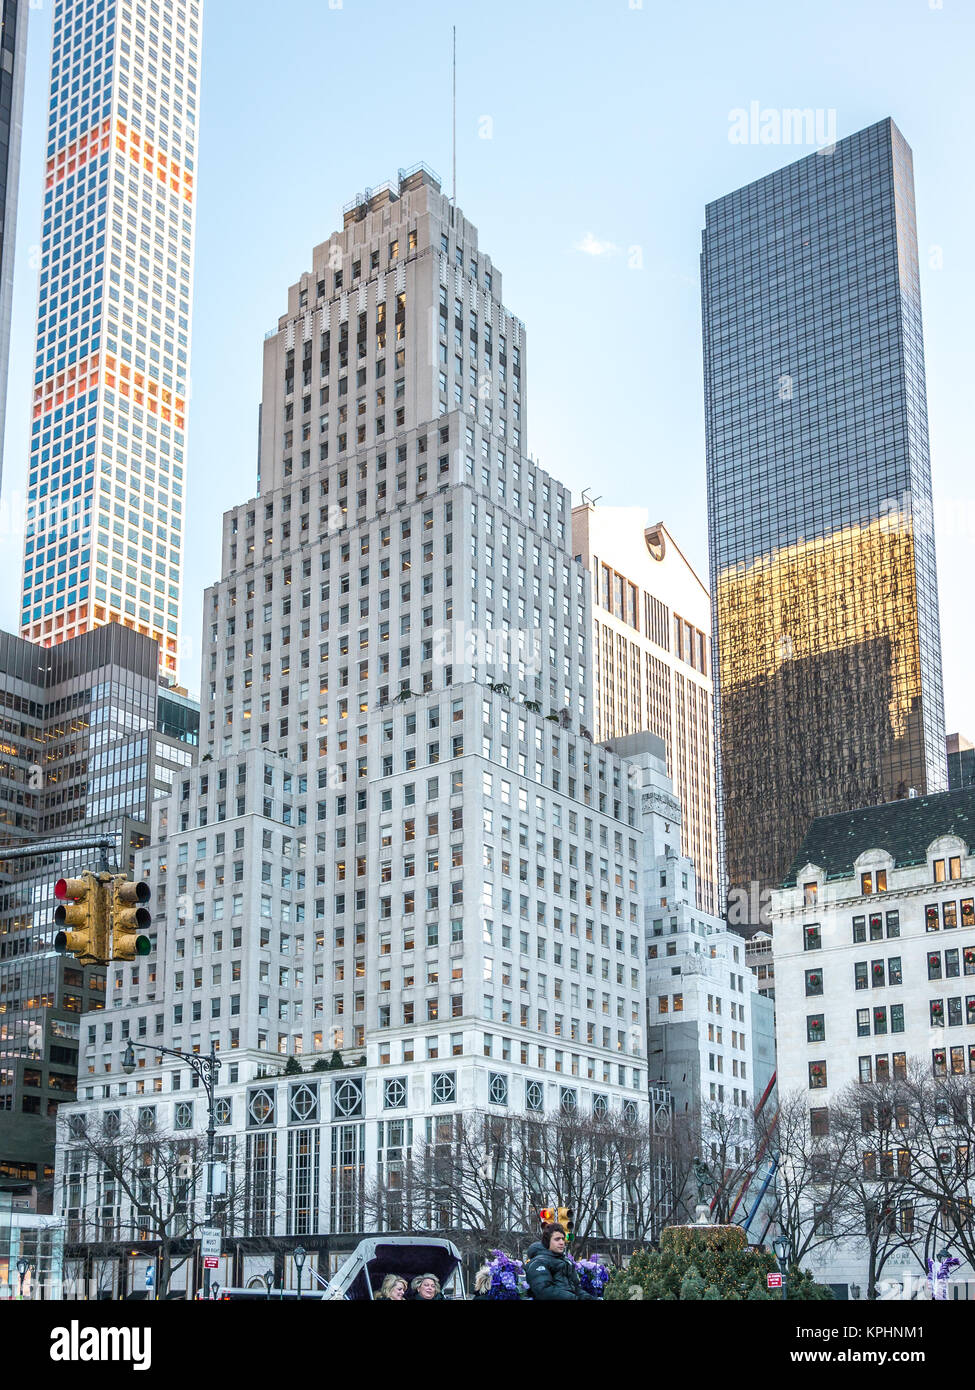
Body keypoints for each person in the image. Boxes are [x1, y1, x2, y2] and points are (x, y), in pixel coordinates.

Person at [525, 1224, 594, 1301]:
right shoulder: (538, 1262)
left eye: (563, 1239)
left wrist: (587, 1297)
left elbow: (576, 1288)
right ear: (547, 1242)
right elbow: (544, 1292)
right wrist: (575, 1298)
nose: (561, 1242)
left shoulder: (566, 1261)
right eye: (557, 1239)